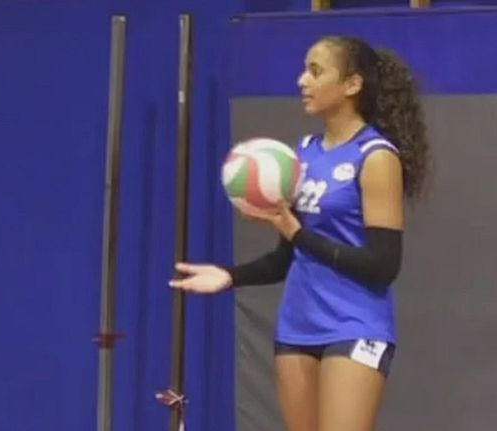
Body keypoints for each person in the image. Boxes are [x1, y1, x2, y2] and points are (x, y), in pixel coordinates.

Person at [169, 35, 429, 431]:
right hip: (298, 325)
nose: (301, 80)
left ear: (352, 84)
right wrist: (229, 276)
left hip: (355, 323)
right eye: (304, 70)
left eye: (315, 71)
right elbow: (285, 258)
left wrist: (298, 234)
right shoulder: (303, 154)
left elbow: (383, 265)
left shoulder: (376, 157)